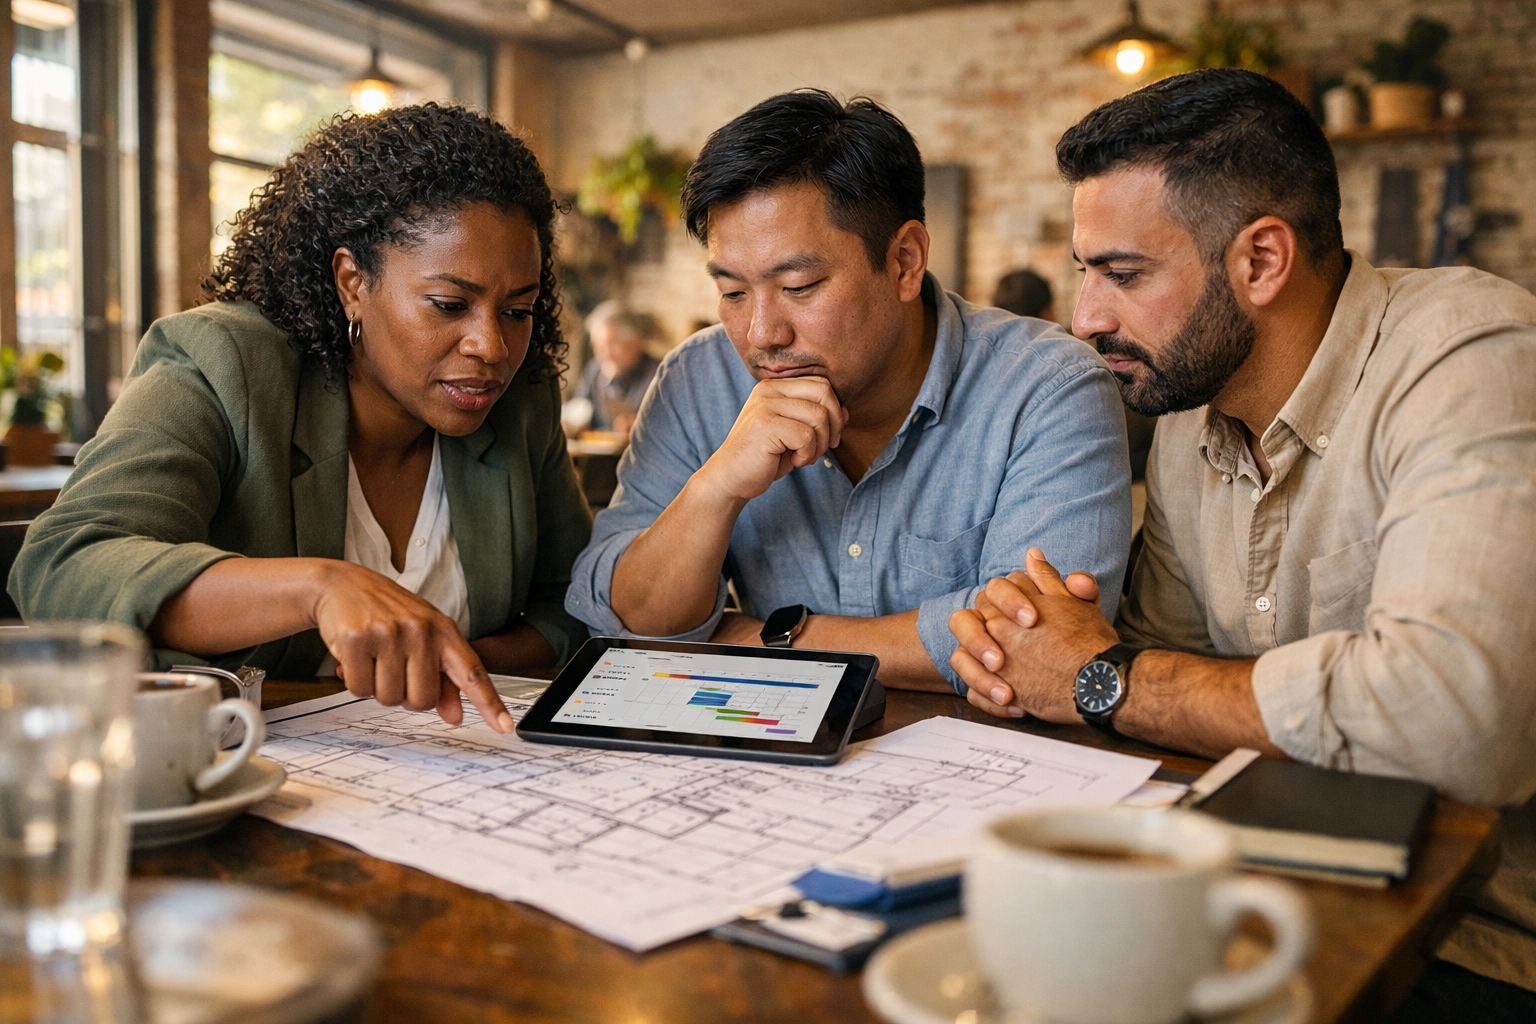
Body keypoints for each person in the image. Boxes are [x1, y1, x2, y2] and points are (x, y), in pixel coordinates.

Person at [947, 69, 1536, 1019]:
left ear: (1261, 261)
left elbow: (1455, 723)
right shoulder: (1190, 417)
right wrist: (1023, 654)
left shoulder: (1474, 357)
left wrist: (1102, 678)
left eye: (1122, 274)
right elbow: (1157, 670)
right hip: (1258, 890)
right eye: (1084, 270)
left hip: (1475, 945)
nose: (1087, 315)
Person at [9, 104, 593, 733]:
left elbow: (575, 603)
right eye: (450, 304)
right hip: (230, 765)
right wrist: (318, 588)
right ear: (352, 282)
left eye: (518, 310)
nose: (492, 347)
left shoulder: (520, 401)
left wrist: (438, 661)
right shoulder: (221, 364)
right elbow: (64, 565)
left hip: (441, 775)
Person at [564, 89, 1130, 691]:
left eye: (800, 286)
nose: (761, 334)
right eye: (732, 292)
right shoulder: (698, 381)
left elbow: (1041, 647)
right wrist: (717, 488)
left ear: (905, 262)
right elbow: (622, 624)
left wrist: (768, 638)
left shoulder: (1048, 389)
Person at [566, 300, 660, 437]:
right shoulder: (595, 370)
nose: (605, 354)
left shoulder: (659, 374)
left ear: (636, 341)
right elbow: (579, 409)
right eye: (598, 346)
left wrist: (643, 427)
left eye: (612, 344)